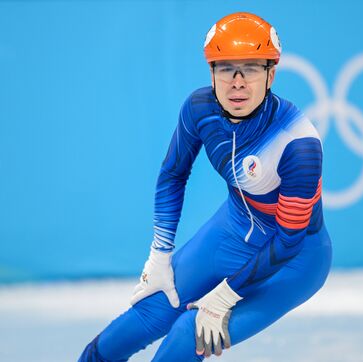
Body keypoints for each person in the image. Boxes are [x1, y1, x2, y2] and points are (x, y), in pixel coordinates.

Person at [79, 11, 332, 361]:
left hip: (294, 259)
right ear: (211, 73)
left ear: (271, 74)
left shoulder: (299, 144)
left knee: (189, 331)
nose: (238, 82)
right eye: (226, 68)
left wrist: (225, 296)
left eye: (252, 68)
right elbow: (173, 174)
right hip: (234, 227)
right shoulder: (200, 109)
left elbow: (288, 240)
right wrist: (160, 254)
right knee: (150, 313)